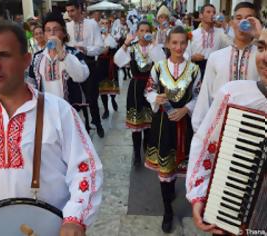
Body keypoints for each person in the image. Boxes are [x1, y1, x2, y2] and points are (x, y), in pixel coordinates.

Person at [0, 20, 103, 236]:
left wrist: (75, 218)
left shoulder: (58, 111)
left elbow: (85, 169)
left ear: (26, 60)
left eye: (3, 55)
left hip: (50, 227)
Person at [186, 28, 267, 235]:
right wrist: (200, 195)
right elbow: (206, 146)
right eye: (262, 47)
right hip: (231, 215)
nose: (264, 58)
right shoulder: (235, 95)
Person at [144, 26, 201, 233]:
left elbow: (198, 96)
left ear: (187, 44)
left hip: (183, 124)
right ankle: (167, 210)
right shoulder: (158, 67)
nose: (178, 47)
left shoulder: (194, 69)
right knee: (164, 169)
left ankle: (172, 192)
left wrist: (186, 109)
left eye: (182, 43)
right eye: (174, 43)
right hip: (163, 124)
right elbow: (148, 89)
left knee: (177, 166)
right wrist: (155, 98)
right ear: (167, 44)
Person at [192, 2, 262, 132]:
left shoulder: (262, 56)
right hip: (220, 127)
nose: (243, 23)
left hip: (254, 127)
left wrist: (260, 35)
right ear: (232, 22)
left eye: (249, 19)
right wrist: (199, 128)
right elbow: (206, 94)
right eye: (239, 18)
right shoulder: (216, 57)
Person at [114, 21, 166, 166]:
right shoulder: (131, 48)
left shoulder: (154, 48)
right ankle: (137, 153)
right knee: (136, 124)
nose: (144, 33)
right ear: (137, 32)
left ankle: (148, 150)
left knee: (149, 123)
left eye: (147, 30)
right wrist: (125, 43)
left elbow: (162, 63)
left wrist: (154, 44)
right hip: (136, 87)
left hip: (151, 86)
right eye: (141, 30)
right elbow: (117, 61)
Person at [29, 12, 89, 107]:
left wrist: (62, 53)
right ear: (44, 35)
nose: (52, 33)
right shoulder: (37, 57)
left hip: (70, 110)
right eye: (48, 30)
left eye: (55, 29)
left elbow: (81, 77)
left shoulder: (74, 53)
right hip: (46, 111)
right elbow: (31, 84)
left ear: (64, 33)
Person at [66, 0, 105, 138]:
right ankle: (83, 126)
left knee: (92, 97)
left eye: (72, 10)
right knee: (76, 96)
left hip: (89, 62)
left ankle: (98, 123)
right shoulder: (67, 26)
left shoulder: (92, 24)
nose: (70, 14)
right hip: (73, 64)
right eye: (68, 11)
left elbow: (100, 46)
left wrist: (86, 49)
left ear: (79, 9)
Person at [187, 4, 232, 78]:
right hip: (197, 68)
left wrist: (224, 24)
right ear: (201, 15)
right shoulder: (193, 34)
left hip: (215, 68)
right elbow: (185, 53)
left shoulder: (221, 32)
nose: (212, 14)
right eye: (208, 12)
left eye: (214, 12)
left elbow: (232, 44)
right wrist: (192, 57)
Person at [97, 17, 119, 119]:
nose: (105, 25)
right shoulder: (97, 37)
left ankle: (113, 99)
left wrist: (108, 38)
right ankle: (106, 109)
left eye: (106, 23)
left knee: (112, 85)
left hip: (110, 64)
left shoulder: (112, 36)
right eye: (103, 23)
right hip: (101, 64)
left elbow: (114, 47)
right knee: (103, 88)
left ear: (109, 25)